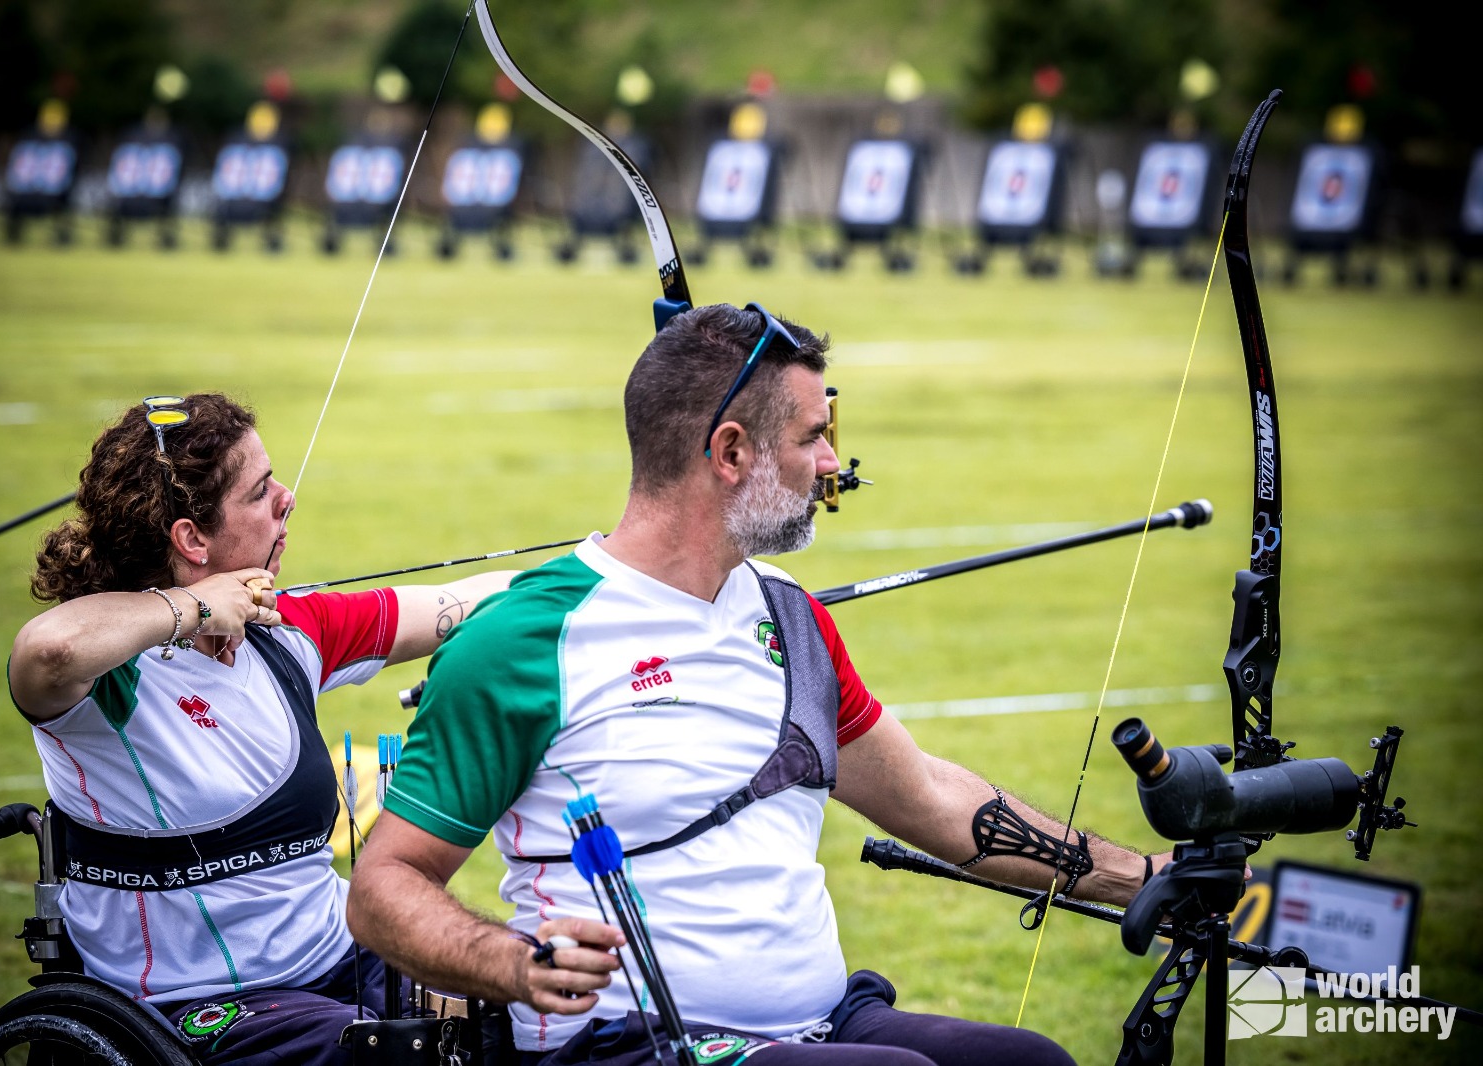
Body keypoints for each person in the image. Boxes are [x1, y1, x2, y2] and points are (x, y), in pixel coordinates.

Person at [347, 305, 1162, 1066]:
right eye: (813, 437)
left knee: (1031, 1062)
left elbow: (933, 801)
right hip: (623, 1043)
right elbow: (385, 887)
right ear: (731, 452)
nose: (832, 464)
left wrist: (1143, 880)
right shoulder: (522, 643)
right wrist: (514, 963)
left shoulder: (789, 615)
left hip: (818, 1023)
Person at [9, 392, 513, 1066]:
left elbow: (475, 601)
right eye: (259, 492)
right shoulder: (110, 679)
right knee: (394, 1055)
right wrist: (190, 607)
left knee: (528, 1012)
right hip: (194, 1005)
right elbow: (47, 652)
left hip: (342, 954)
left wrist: (607, 572)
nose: (287, 498)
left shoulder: (287, 632)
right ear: (192, 538)